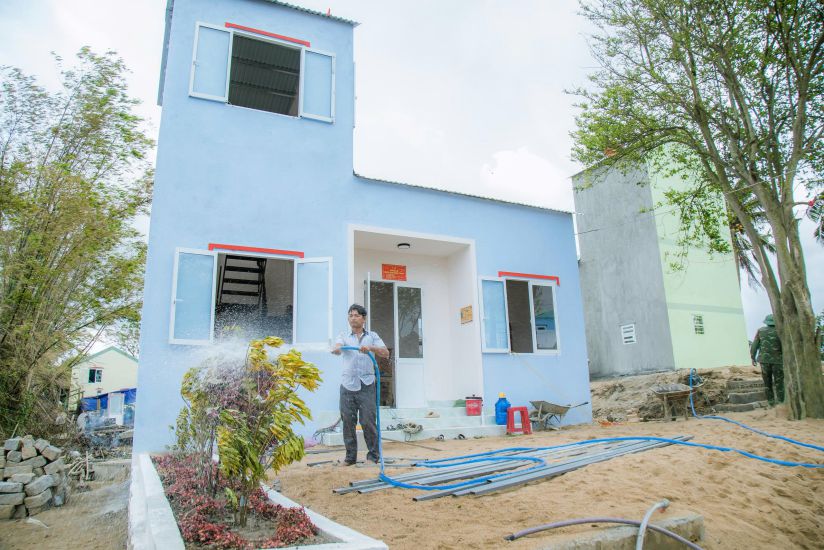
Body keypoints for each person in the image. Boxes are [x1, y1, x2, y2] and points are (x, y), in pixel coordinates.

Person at [331, 304, 389, 465]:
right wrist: (336, 349)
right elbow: (337, 348)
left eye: (356, 315)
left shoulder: (372, 336)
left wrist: (370, 348)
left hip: (367, 385)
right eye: (350, 315)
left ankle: (373, 457)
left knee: (368, 422)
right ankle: (350, 458)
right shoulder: (343, 336)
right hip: (348, 385)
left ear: (363, 318)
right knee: (348, 422)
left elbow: (385, 353)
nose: (352, 318)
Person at [750, 314, 784, 405]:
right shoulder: (781, 330)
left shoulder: (760, 331)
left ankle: (771, 402)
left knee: (767, 383)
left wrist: (753, 357)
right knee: (779, 382)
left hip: (764, 361)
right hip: (778, 361)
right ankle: (781, 402)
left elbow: (754, 346)